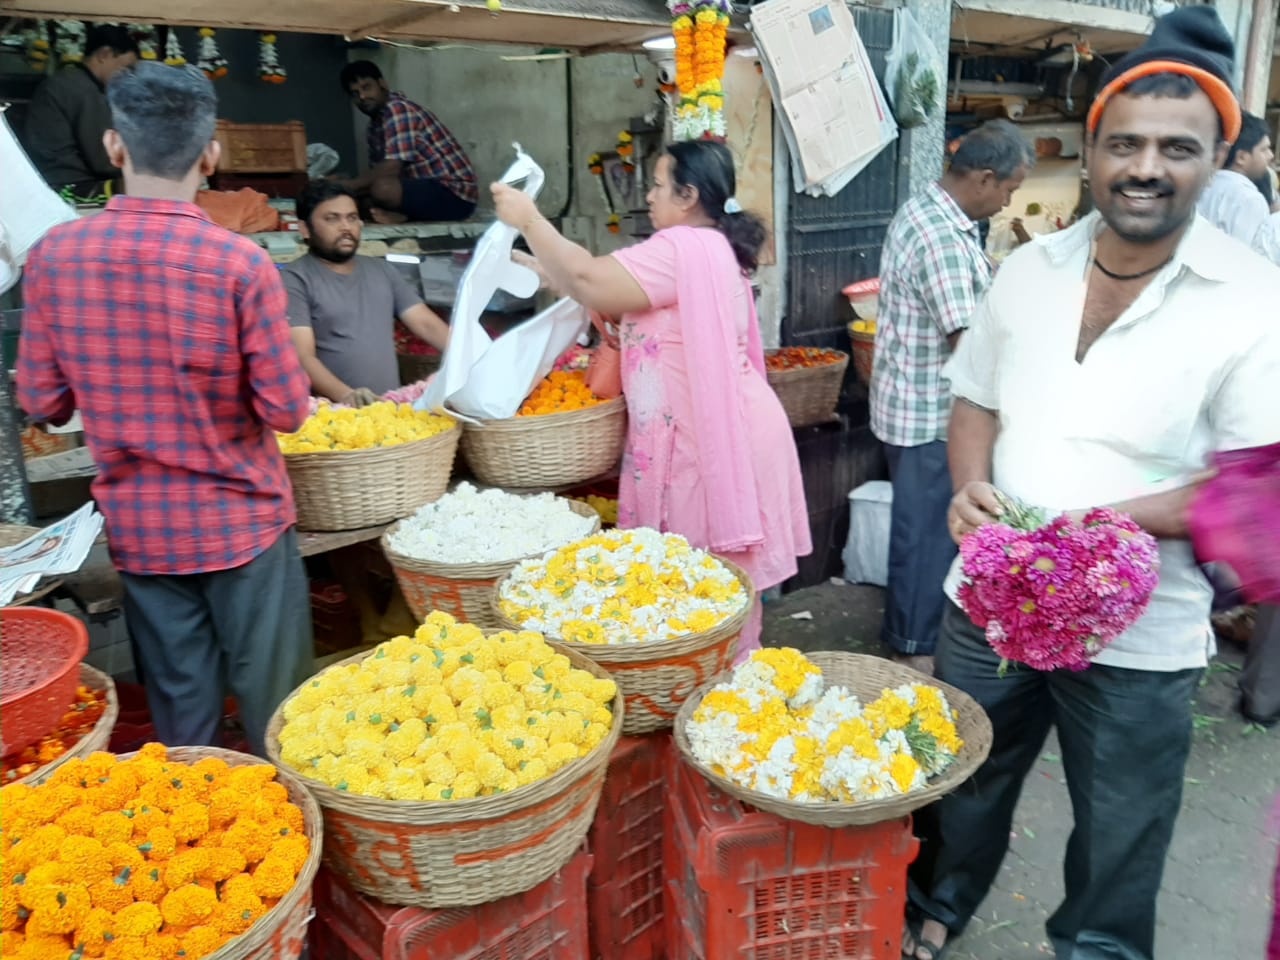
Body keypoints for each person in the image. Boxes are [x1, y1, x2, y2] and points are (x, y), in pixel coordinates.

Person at [903, 7, 1280, 959]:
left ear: (1216, 157)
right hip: (987, 599)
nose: (1146, 165)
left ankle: (1099, 950)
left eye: (1177, 146)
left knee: (1121, 826)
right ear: (1093, 149)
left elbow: (1248, 487)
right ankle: (934, 908)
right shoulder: (1028, 269)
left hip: (1140, 634)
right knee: (961, 776)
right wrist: (969, 488)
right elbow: (974, 401)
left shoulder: (1251, 300)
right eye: (1125, 142)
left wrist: (1086, 528)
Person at [16, 63, 314, 759]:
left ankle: (196, 836)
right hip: (246, 524)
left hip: (144, 533)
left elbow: (42, 402)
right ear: (210, 154)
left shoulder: (55, 257)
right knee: (282, 715)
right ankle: (286, 846)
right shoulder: (241, 265)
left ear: (115, 146)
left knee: (183, 721)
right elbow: (287, 410)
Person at [491, 139, 812, 658]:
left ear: (688, 196)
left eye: (658, 184)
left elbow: (590, 278)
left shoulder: (682, 247)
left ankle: (712, 692)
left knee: (703, 594)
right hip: (725, 431)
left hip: (711, 441)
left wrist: (530, 218)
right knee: (704, 593)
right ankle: (713, 687)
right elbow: (607, 289)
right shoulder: (706, 247)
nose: (649, 193)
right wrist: (549, 272)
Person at [870, 120, 1033, 674]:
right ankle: (913, 652)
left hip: (914, 404)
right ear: (985, 179)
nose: (1009, 201)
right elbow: (969, 346)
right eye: (1009, 190)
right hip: (929, 416)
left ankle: (915, 638)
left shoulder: (935, 213)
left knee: (924, 532)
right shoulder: (942, 234)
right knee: (927, 540)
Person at [283, 180, 450, 406]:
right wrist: (347, 395)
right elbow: (302, 357)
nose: (346, 227)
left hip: (389, 410)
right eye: (332, 218)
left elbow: (426, 323)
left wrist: (477, 356)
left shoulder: (381, 269)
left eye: (351, 218)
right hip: (334, 418)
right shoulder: (294, 279)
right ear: (304, 228)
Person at [335, 61, 476, 224]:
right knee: (361, 202)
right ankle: (403, 216)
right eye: (355, 94)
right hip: (420, 192)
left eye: (366, 87)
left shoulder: (398, 109)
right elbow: (376, 173)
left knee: (382, 189)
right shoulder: (374, 127)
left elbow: (390, 168)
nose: (362, 97)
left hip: (455, 195)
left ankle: (405, 216)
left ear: (382, 84)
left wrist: (349, 186)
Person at [24, 23, 138, 200]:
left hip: (54, 180)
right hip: (72, 186)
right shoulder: (80, 88)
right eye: (126, 68)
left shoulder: (68, 81)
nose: (128, 78)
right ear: (104, 55)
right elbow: (104, 161)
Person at [1197, 111, 1274, 248]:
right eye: (1264, 149)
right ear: (1241, 158)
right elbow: (1246, 258)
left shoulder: (1203, 185)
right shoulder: (1250, 199)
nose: (1271, 155)